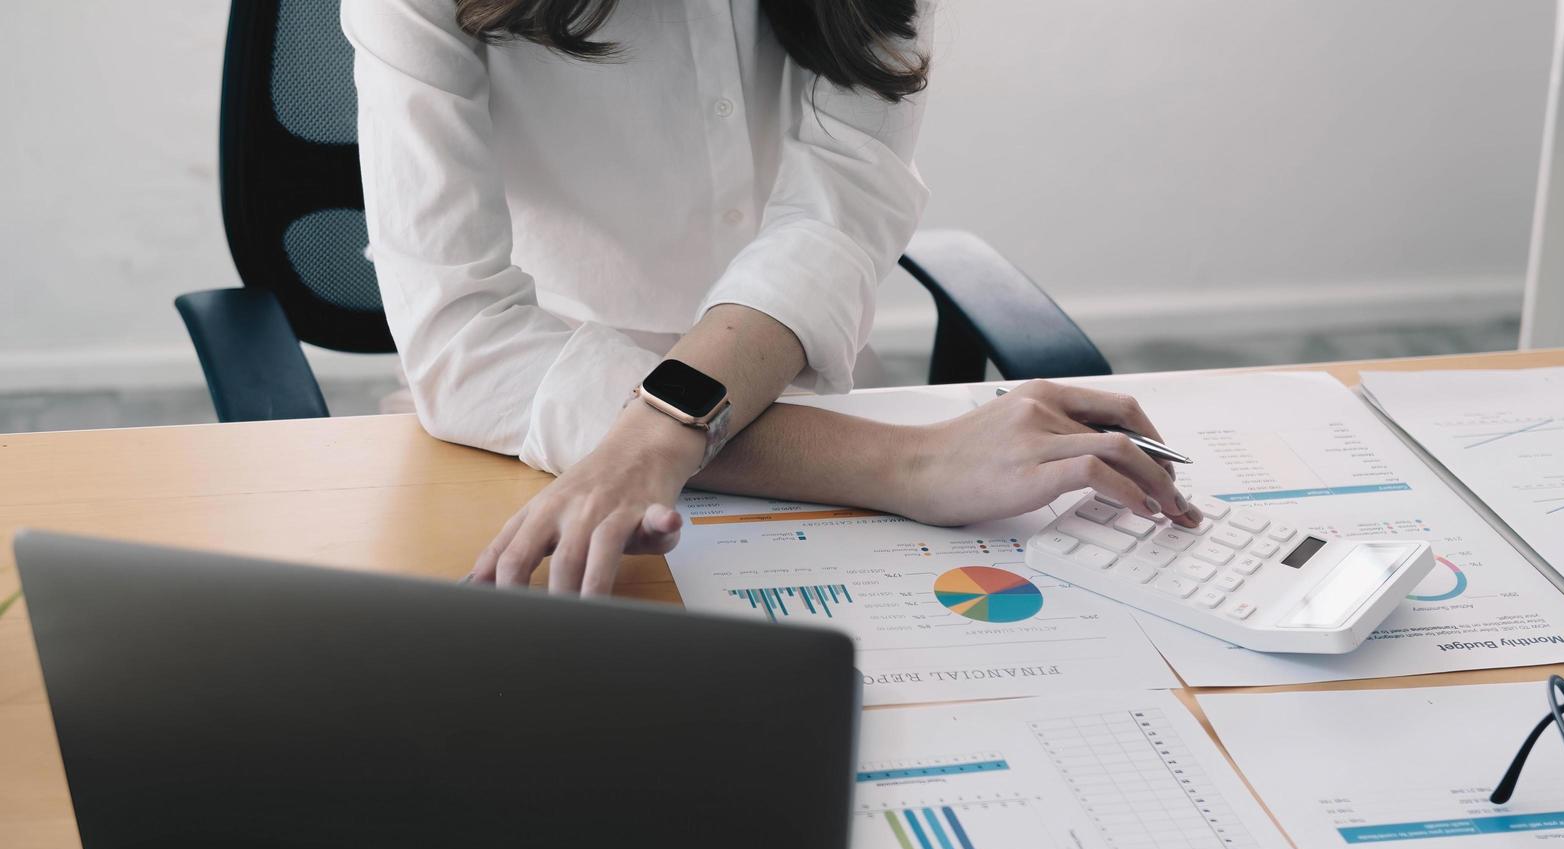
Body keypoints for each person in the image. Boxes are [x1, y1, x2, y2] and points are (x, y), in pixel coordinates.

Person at [344, 0, 1200, 596]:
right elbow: (460, 339)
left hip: (797, 400)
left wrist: (662, 434)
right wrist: (904, 463)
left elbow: (835, 211)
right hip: (527, 430)